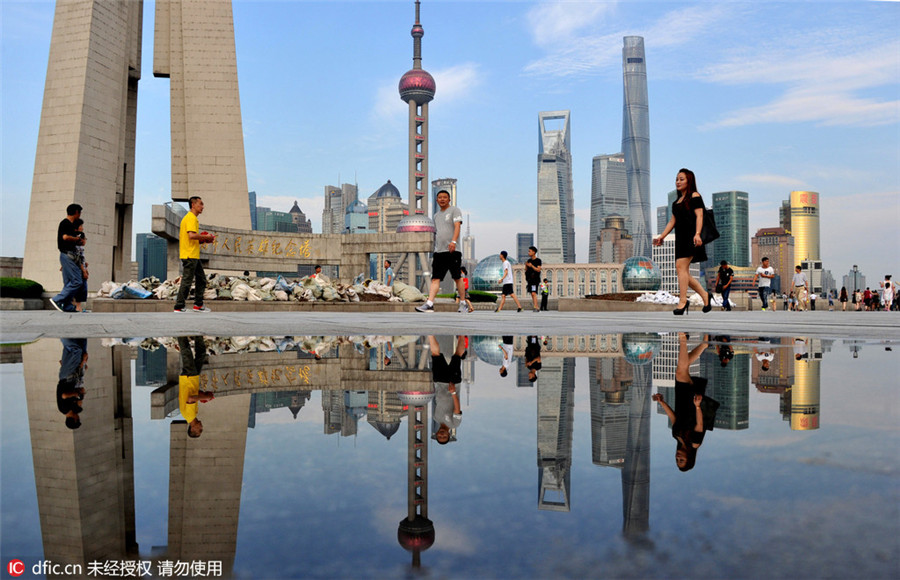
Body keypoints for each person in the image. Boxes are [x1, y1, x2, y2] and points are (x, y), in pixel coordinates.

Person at [651, 333, 719, 472]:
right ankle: (683, 338)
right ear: (689, 458)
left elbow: (674, 418)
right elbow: (700, 424)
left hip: (681, 399)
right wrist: (698, 406)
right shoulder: (695, 443)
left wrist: (661, 402)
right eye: (681, 460)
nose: (678, 457)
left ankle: (703, 345)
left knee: (683, 369)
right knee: (680, 372)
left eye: (677, 460)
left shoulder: (676, 436)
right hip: (692, 403)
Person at [653, 168, 712, 315]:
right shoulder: (676, 202)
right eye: (677, 179)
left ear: (689, 181)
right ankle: (705, 295)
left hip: (692, 237)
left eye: (682, 179)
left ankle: (683, 301)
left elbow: (700, 216)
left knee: (680, 267)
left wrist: (698, 234)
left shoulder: (694, 196)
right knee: (683, 271)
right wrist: (662, 236)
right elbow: (672, 221)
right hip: (680, 238)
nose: (678, 182)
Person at [416, 189, 466, 313]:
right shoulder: (436, 216)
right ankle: (429, 303)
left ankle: (463, 303)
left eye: (445, 197)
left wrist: (453, 241)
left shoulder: (455, 210)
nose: (442, 199)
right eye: (440, 197)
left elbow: (457, 226)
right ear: (437, 200)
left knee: (456, 277)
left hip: (453, 250)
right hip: (439, 252)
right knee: (435, 278)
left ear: (449, 199)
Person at [174, 196, 216, 313]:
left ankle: (198, 305)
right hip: (190, 255)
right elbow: (191, 235)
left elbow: (191, 238)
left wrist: (202, 239)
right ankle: (179, 306)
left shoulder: (190, 218)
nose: (202, 207)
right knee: (187, 280)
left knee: (201, 279)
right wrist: (206, 237)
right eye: (200, 204)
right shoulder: (191, 218)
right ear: (193, 205)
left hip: (193, 255)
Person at [50, 204, 86, 312]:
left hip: (69, 256)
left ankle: (67, 306)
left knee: (69, 281)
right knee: (77, 281)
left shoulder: (71, 225)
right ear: (76, 212)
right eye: (79, 213)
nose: (79, 215)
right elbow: (65, 237)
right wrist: (75, 239)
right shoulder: (65, 223)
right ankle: (57, 299)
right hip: (67, 255)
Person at [429, 335, 464, 444]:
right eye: (444, 437)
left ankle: (430, 334)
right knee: (457, 356)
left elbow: (437, 400)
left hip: (439, 382)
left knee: (435, 355)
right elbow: (457, 408)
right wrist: (453, 392)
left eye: (439, 436)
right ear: (449, 435)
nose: (442, 435)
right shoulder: (455, 424)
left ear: (437, 433)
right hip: (453, 384)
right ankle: (462, 334)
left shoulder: (436, 418)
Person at [178, 336, 214, 438]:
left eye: (200, 430)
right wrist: (204, 396)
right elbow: (194, 396)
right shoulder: (194, 414)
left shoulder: (189, 416)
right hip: (193, 379)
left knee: (187, 354)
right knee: (201, 355)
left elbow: (191, 398)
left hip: (188, 379)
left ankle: (180, 333)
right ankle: (198, 335)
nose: (201, 427)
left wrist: (206, 398)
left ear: (193, 429)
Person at [57, 338, 87, 429]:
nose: (78, 417)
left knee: (76, 350)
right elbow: (79, 390)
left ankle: (62, 336)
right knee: (79, 350)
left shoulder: (64, 409)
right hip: (71, 377)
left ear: (74, 419)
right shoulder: (73, 408)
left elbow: (64, 395)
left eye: (78, 419)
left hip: (66, 377)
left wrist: (75, 394)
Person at [524, 246, 543, 312]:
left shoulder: (538, 260)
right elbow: (526, 270)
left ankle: (536, 307)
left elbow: (538, 269)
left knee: (533, 293)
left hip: (535, 279)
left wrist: (531, 266)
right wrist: (526, 265)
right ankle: (536, 306)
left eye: (530, 251)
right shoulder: (529, 260)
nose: (528, 252)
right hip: (530, 279)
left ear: (534, 252)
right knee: (532, 293)